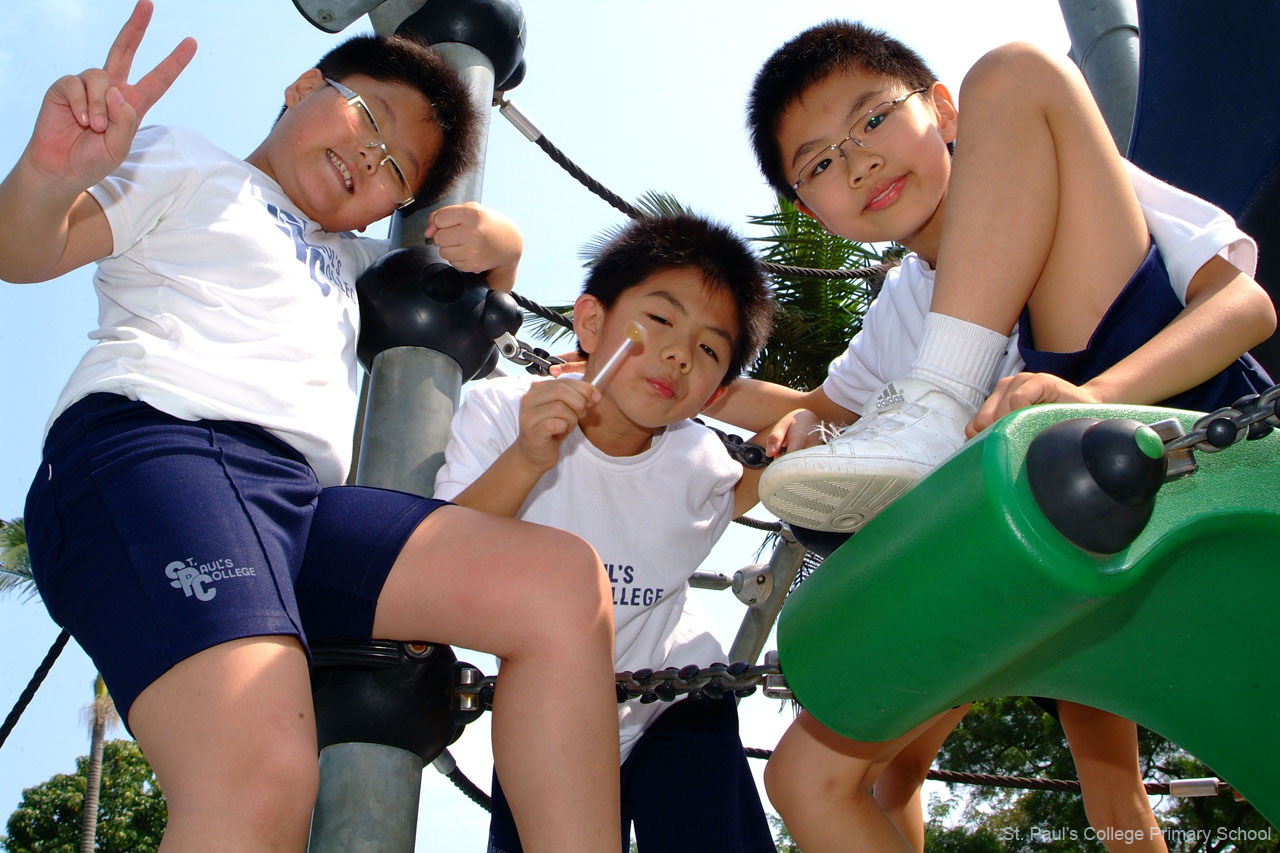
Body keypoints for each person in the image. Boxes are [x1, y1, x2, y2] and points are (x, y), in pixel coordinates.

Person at [0, 3, 622, 850]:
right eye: (368, 115)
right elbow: (28, 250)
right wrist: (48, 176)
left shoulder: (351, 260)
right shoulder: (191, 165)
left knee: (560, 585)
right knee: (259, 777)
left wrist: (503, 244)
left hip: (298, 506)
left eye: (397, 169)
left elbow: (469, 299)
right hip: (159, 450)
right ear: (302, 87)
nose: (371, 155)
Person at [701, 19, 1277, 853]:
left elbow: (1246, 306)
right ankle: (938, 409)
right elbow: (821, 407)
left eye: (872, 119)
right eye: (819, 163)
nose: (857, 162)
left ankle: (943, 400)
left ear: (943, 110)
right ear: (808, 209)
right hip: (1058, 542)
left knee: (1014, 71)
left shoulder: (1064, 169)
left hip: (1185, 441)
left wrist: (1090, 399)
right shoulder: (903, 307)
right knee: (806, 777)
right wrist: (685, 380)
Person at [433, 214, 788, 853]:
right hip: (541, 706)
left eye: (710, 351)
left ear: (715, 392)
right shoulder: (501, 414)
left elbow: (786, 450)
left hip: (678, 694)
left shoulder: (704, 465)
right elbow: (442, 562)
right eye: (660, 320)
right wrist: (527, 459)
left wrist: (799, 439)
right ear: (591, 322)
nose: (679, 354)